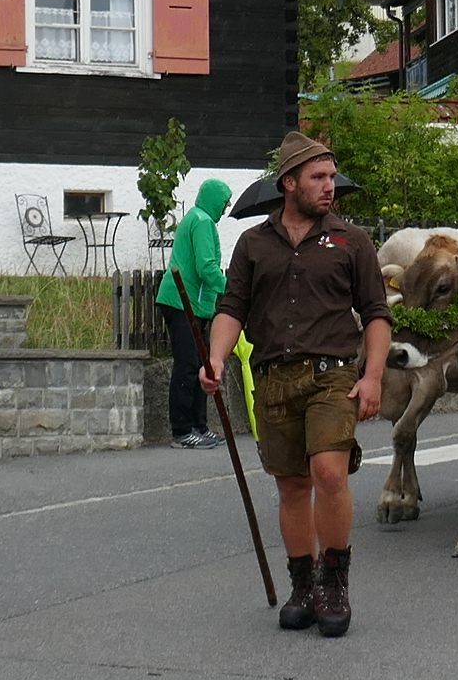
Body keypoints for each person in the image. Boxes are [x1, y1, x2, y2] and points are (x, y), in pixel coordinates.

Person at [202, 132, 390, 637]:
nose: (330, 186)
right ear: (289, 183)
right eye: (319, 177)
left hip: (333, 377)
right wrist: (216, 359)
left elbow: (375, 314)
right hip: (273, 380)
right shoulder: (253, 244)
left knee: (329, 474)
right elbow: (231, 309)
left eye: (332, 177)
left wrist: (372, 376)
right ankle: (302, 584)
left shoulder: (353, 241)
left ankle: (335, 582)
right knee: (291, 486)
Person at [156, 176, 234, 447]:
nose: (225, 209)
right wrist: (231, 289)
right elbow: (206, 267)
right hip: (183, 301)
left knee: (203, 365)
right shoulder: (202, 222)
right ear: (214, 200)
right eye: (224, 202)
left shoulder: (197, 218)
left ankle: (199, 427)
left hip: (188, 301)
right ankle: (182, 431)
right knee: (189, 365)